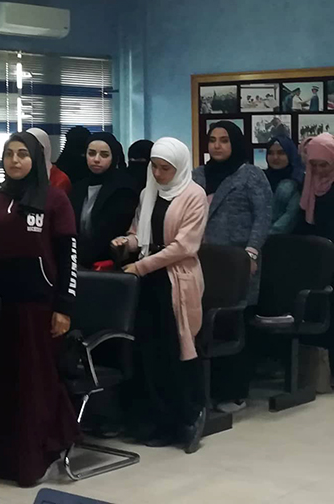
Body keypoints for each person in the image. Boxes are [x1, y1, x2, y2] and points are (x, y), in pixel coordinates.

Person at [0, 132, 78, 486]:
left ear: (35, 159)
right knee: (4, 386)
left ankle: (39, 458)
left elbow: (68, 258)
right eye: (9, 154)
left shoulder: (54, 199)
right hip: (1, 309)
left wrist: (64, 307)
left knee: (36, 386)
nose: (15, 161)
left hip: (40, 309)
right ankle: (5, 460)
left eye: (22, 154)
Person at [113, 137, 207, 453]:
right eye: (154, 167)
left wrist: (141, 266)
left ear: (179, 167)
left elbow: (183, 247)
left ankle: (188, 418)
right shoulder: (148, 192)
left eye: (165, 168)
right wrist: (125, 243)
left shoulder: (194, 195)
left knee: (176, 350)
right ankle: (158, 422)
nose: (158, 173)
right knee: (149, 352)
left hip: (176, 279)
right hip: (148, 279)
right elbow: (138, 233)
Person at [192, 121, 271, 412]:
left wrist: (252, 252)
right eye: (212, 140)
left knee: (232, 322)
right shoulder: (198, 175)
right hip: (200, 259)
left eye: (224, 140)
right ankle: (205, 389)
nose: (217, 146)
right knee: (203, 323)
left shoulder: (251, 175)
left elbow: (263, 216)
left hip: (238, 260)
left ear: (235, 143)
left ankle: (233, 392)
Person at [69, 132, 139, 269]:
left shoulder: (124, 188)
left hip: (111, 264)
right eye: (91, 153)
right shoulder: (78, 187)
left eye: (104, 155)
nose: (96, 159)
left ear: (114, 157)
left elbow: (113, 231)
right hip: (78, 262)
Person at [264, 135, 304, 235]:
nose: (275, 157)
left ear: (290, 154)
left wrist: (262, 237)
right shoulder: (261, 178)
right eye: (270, 153)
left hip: (284, 238)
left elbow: (290, 216)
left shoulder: (298, 180)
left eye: (281, 153)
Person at [299, 133, 334, 241]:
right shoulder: (308, 181)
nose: (318, 170)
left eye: (323, 165)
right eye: (313, 165)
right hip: (316, 242)